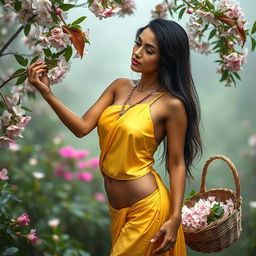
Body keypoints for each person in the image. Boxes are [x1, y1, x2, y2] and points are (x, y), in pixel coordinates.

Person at [27, 18, 202, 256]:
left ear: (166, 59)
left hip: (148, 210)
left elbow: (176, 163)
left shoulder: (172, 105)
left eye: (149, 50)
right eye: (138, 43)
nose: (138, 53)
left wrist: (175, 218)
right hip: (118, 210)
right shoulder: (119, 86)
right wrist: (48, 94)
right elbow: (82, 128)